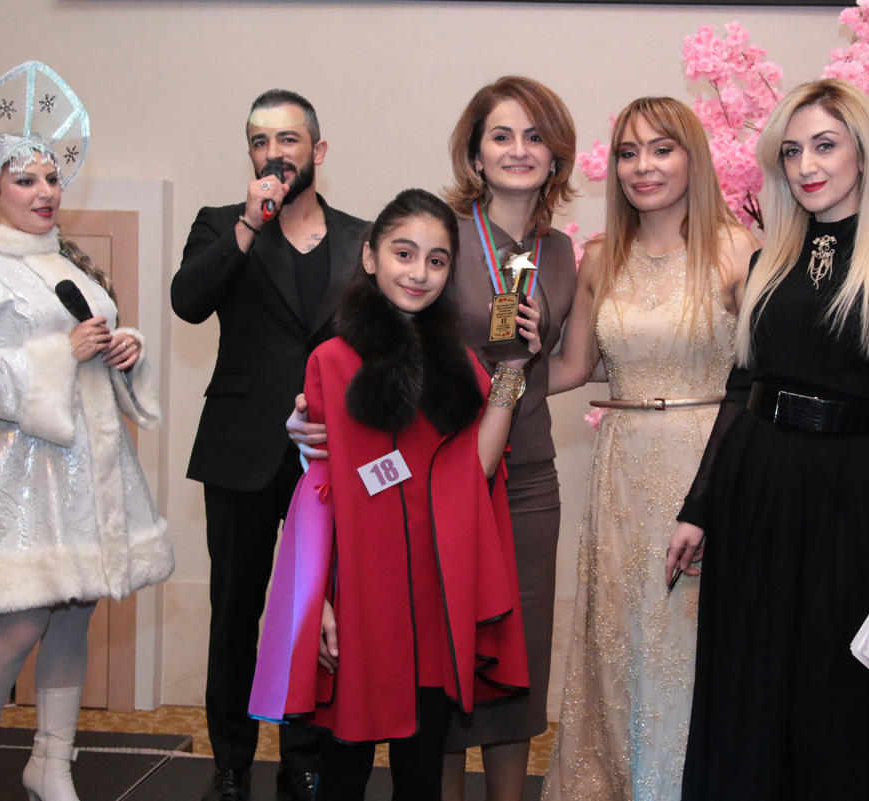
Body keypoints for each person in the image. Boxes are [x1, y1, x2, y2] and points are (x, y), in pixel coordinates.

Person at [286, 76, 578, 801]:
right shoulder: (442, 233)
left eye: (534, 136)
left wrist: (519, 368)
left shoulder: (560, 252)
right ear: (475, 153)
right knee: (417, 676)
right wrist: (306, 428)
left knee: (500, 654)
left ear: (557, 153)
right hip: (410, 498)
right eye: (501, 135)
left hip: (513, 470)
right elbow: (338, 370)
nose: (519, 149)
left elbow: (565, 365)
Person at [666, 78, 869, 801]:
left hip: (851, 491)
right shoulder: (768, 259)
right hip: (756, 480)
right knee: (749, 676)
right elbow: (741, 389)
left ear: (864, 152)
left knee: (840, 692)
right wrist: (699, 506)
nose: (805, 165)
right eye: (791, 152)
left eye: (824, 145)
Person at [248, 188, 536, 801]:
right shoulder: (331, 360)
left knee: (422, 771)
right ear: (371, 256)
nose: (419, 272)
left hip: (433, 595)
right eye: (404, 253)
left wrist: (512, 372)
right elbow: (318, 491)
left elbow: (478, 469)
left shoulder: (459, 364)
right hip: (358, 592)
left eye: (436, 260)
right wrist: (317, 600)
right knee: (343, 766)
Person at [0, 61, 171, 801]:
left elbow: (92, 355)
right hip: (22, 478)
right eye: (26, 181)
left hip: (88, 474)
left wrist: (123, 350)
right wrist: (59, 354)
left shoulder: (67, 264)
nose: (45, 192)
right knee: (15, 630)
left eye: (51, 178)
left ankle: (52, 763)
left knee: (75, 615)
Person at [541, 97, 757, 801]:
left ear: (693, 157)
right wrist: (483, 379)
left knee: (690, 637)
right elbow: (573, 367)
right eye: (629, 153)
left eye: (662, 149)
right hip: (623, 467)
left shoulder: (737, 249)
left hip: (708, 463)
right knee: (621, 637)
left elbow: (763, 376)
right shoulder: (601, 256)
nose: (643, 167)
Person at [170, 88, 366, 801]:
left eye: (288, 139)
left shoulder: (362, 238)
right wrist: (249, 226)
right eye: (260, 141)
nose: (273, 152)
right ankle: (230, 761)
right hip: (240, 447)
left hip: (327, 451)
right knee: (235, 612)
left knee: (314, 610)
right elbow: (188, 301)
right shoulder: (222, 223)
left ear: (318, 151)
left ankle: (304, 758)